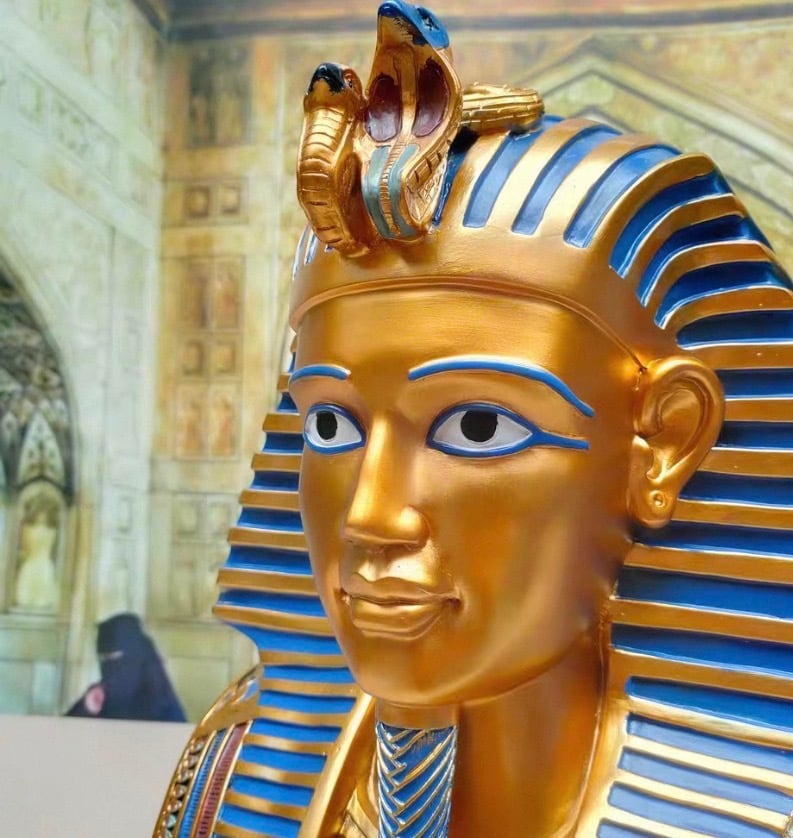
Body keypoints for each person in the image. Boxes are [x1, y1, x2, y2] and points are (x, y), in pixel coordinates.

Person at [157, 3, 793, 837]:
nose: (370, 517)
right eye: (331, 427)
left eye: (479, 428)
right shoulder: (222, 777)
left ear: (663, 444)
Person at [67, 613, 185, 722]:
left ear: (136, 657)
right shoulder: (98, 697)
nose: (109, 668)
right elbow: (62, 733)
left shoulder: (163, 707)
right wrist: (85, 710)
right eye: (103, 659)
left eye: (115, 658)